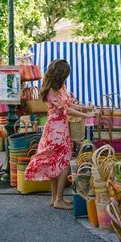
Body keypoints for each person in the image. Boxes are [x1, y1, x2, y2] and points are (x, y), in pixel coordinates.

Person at [24, 59, 97, 210]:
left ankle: (54, 198)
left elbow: (69, 104)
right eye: (65, 74)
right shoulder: (51, 90)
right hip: (55, 129)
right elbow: (66, 110)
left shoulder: (59, 87)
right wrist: (86, 116)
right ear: (60, 74)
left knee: (55, 160)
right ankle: (59, 199)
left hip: (60, 128)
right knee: (63, 161)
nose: (66, 77)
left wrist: (85, 108)